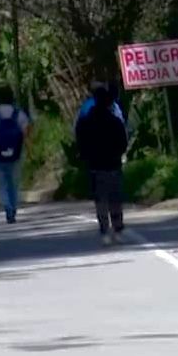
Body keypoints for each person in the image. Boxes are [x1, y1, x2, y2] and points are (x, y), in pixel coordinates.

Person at [76, 83, 129, 246]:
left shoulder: (85, 122)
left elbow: (80, 142)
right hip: (113, 164)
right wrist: (118, 154)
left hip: (95, 166)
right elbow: (123, 143)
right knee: (115, 198)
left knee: (100, 199)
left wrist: (85, 157)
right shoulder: (114, 122)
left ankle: (105, 230)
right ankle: (118, 229)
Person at [0, 91, 31, 224]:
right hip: (16, 153)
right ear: (12, 99)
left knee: (1, 183)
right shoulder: (20, 114)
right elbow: (26, 134)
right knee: (14, 182)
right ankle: (14, 206)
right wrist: (29, 150)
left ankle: (8, 207)